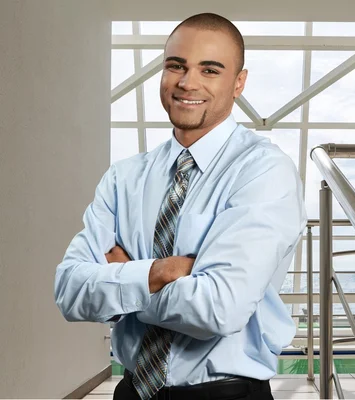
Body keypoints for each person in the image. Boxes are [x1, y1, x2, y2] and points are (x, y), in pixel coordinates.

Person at [54, 12, 307, 400]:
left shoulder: (263, 170)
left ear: (238, 83)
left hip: (227, 394)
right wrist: (160, 272)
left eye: (210, 70)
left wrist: (124, 278)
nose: (188, 82)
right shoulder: (124, 178)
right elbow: (70, 290)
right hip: (133, 390)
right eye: (176, 66)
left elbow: (219, 309)